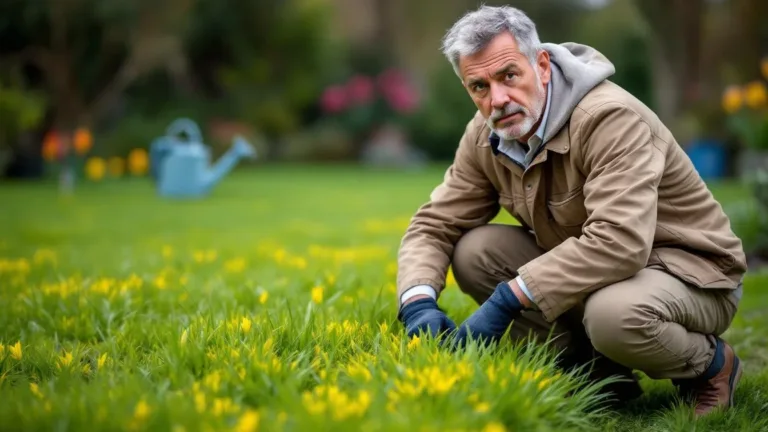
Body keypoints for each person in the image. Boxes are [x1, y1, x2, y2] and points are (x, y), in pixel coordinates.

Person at [395, 5, 747, 417]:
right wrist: (417, 302)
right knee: (475, 251)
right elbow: (435, 223)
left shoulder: (609, 118)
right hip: (599, 275)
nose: (498, 99)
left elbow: (620, 242)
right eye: (479, 86)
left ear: (541, 65)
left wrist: (507, 299)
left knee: (615, 315)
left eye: (509, 75)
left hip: (691, 275)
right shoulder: (485, 134)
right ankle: (595, 372)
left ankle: (712, 367)